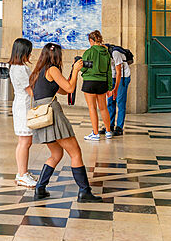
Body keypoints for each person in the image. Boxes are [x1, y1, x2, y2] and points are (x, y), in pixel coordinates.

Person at [28, 43, 101, 202]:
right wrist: (75, 70)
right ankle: (84, 191)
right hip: (52, 114)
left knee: (56, 153)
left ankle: (40, 188)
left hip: (42, 115)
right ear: (56, 56)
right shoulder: (52, 69)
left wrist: (73, 74)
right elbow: (68, 88)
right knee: (75, 153)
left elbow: (61, 89)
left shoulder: (39, 71)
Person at [8, 38, 37, 188]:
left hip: (22, 105)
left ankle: (22, 172)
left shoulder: (17, 66)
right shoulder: (19, 69)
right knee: (24, 141)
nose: (30, 54)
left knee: (25, 141)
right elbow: (29, 90)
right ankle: (22, 174)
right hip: (23, 106)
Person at [80, 30, 115, 141]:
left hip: (90, 81)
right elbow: (109, 71)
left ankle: (95, 133)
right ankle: (108, 131)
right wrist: (110, 87)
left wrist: (79, 66)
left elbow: (84, 67)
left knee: (92, 108)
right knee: (103, 108)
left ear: (91, 40)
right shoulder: (107, 53)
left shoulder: (89, 52)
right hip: (103, 82)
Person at [106, 43, 131, 136]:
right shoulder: (103, 54)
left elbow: (119, 72)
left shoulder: (115, 53)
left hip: (122, 78)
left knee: (120, 101)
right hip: (112, 77)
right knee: (110, 101)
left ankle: (119, 127)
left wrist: (115, 89)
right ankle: (110, 125)